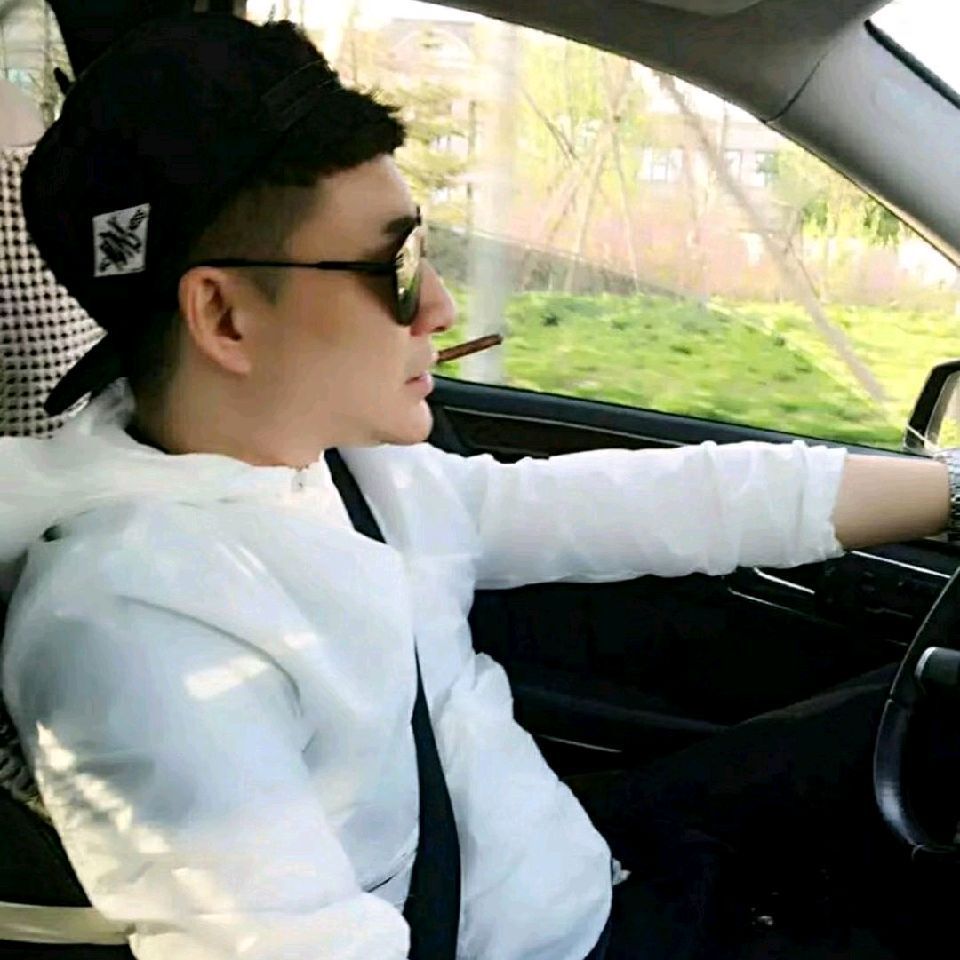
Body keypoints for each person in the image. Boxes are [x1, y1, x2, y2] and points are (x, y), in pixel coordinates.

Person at [0, 13, 955, 960]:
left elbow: (661, 502)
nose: (442, 305)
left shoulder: (341, 467)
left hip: (591, 862)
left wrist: (951, 492)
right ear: (225, 317)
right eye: (396, 266)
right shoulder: (135, 632)